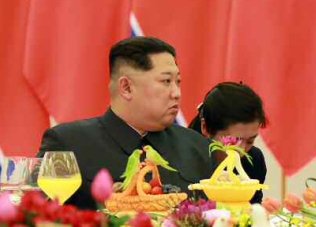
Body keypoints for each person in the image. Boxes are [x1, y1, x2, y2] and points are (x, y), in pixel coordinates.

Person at [37, 37, 213, 209]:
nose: (176, 93)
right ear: (126, 88)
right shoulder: (68, 144)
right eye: (166, 81)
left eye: (178, 82)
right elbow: (39, 216)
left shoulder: (197, 147)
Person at [188, 82, 268, 203]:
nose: (241, 151)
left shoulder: (254, 160)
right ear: (205, 127)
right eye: (233, 141)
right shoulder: (184, 160)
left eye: (250, 140)